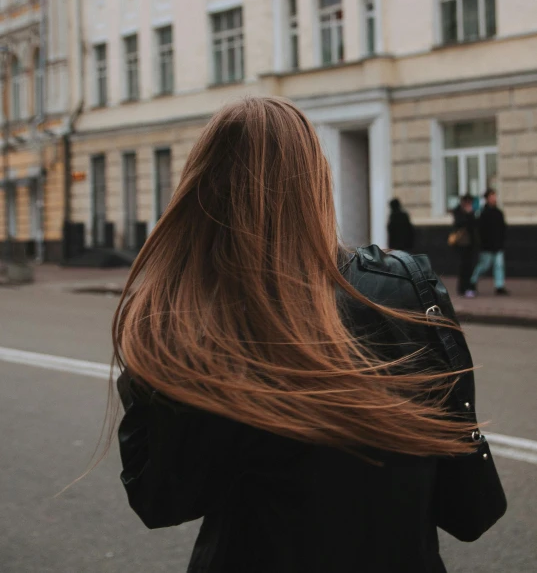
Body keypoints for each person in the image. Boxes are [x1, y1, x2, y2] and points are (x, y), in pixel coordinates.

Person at [113, 97, 505, 573]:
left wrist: (156, 349)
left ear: (202, 194)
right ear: (318, 179)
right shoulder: (406, 286)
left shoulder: (200, 321)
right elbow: (471, 507)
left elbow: (159, 499)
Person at [470, 189, 508, 296]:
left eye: (495, 196)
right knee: (484, 266)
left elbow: (503, 228)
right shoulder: (483, 213)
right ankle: (473, 280)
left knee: (499, 265)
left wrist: (502, 240)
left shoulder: (498, 212)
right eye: (492, 196)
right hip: (487, 246)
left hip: (498, 245)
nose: (494, 199)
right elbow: (481, 230)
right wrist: (483, 243)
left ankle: (499, 286)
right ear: (487, 198)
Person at [451, 193, 478, 298]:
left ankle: (470, 287)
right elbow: (459, 224)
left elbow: (474, 225)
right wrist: (468, 214)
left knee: (470, 266)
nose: (469, 204)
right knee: (463, 267)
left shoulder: (472, 212)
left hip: (470, 243)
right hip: (462, 243)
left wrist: (470, 213)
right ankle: (463, 287)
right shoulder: (458, 211)